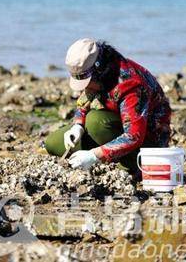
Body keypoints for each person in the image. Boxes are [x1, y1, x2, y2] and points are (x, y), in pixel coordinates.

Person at [44, 38, 171, 174]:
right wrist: (78, 125)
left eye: (87, 81)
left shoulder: (129, 84)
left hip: (145, 147)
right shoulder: (94, 74)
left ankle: (131, 165)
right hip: (111, 129)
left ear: (99, 70)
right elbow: (85, 100)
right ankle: (106, 154)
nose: (84, 87)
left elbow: (133, 136)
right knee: (52, 143)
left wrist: (94, 155)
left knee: (95, 121)